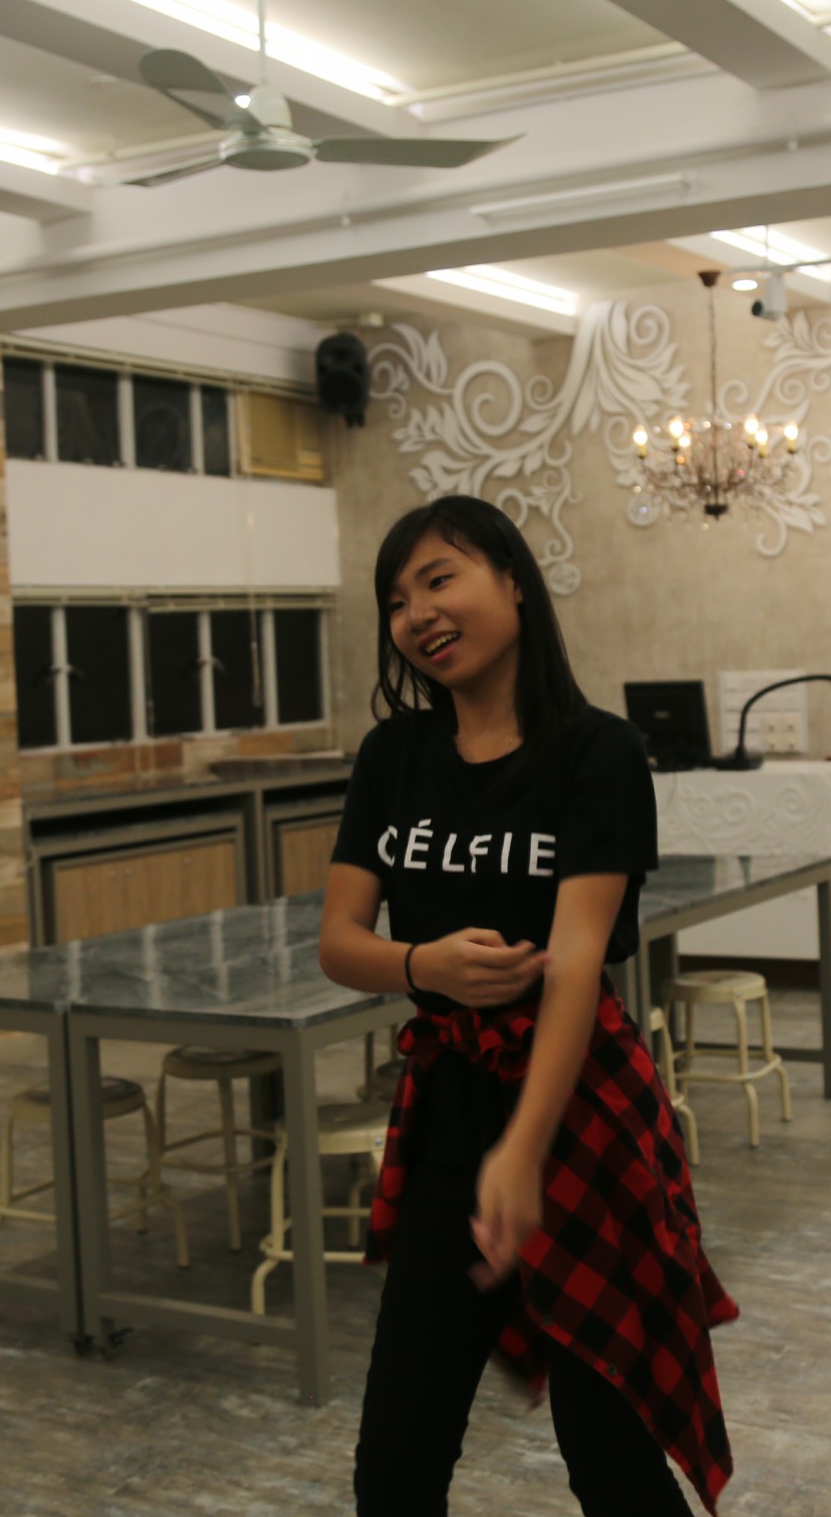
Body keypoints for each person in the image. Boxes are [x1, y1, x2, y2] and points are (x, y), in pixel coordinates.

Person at [319, 495, 737, 1516]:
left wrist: (522, 1150)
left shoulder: (596, 753)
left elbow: (576, 965)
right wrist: (422, 965)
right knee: (396, 1459)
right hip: (446, 1116)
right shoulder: (393, 758)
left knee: (610, 1456)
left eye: (439, 578)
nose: (418, 613)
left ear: (512, 580)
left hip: (581, 1115)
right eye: (396, 598)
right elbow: (340, 944)